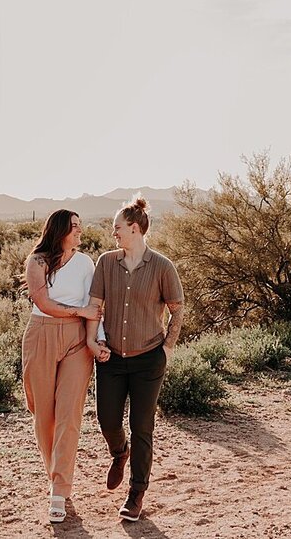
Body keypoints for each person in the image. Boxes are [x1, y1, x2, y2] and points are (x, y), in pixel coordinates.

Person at [85, 196, 185, 521]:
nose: (113, 232)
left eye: (117, 227)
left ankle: (136, 494)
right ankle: (119, 452)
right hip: (111, 359)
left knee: (142, 427)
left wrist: (167, 348)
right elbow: (95, 308)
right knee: (107, 420)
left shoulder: (162, 267)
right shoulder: (105, 263)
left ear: (135, 228)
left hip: (148, 361)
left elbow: (177, 310)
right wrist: (95, 339)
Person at [21, 209, 103, 523]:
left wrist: (95, 339)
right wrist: (78, 313)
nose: (80, 231)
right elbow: (44, 303)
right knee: (43, 412)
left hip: (76, 341)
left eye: (81, 226)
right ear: (60, 230)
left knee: (69, 413)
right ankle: (54, 471)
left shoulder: (85, 263)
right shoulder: (37, 261)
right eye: (75, 227)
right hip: (41, 333)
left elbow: (93, 306)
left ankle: (59, 487)